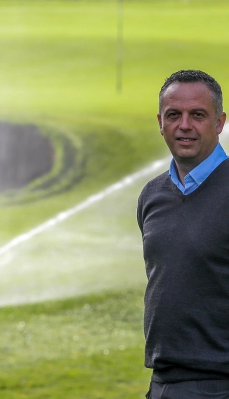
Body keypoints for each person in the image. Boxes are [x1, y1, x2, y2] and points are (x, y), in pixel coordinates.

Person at [137, 70, 229, 398]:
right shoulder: (152, 195)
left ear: (219, 123)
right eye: (174, 115)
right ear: (161, 122)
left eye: (198, 115)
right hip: (162, 380)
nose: (185, 125)